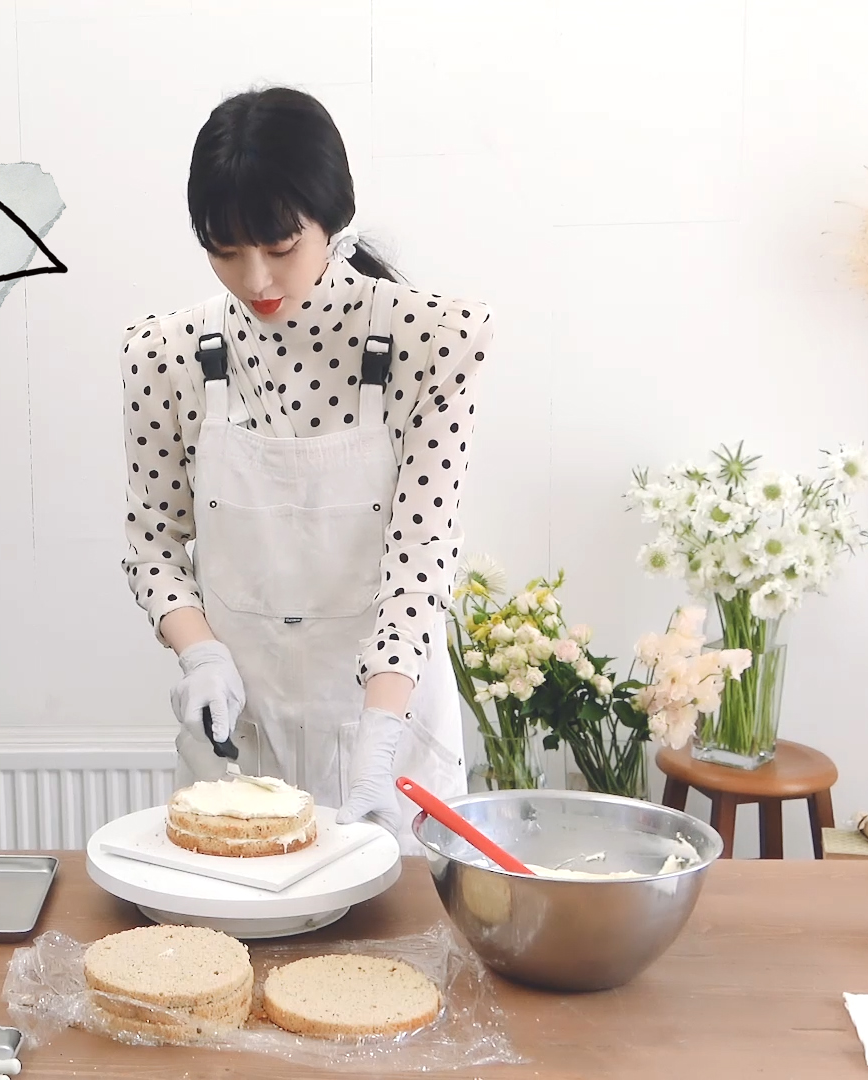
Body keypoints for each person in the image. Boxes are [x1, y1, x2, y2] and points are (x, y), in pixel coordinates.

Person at [119, 87, 492, 850]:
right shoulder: (165, 357)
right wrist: (202, 655)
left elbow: (420, 560)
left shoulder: (432, 342)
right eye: (226, 251)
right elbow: (153, 546)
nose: (256, 279)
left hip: (390, 740)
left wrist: (378, 742)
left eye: (281, 246)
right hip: (241, 749)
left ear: (331, 217)